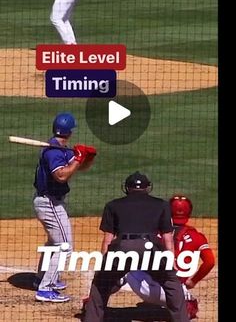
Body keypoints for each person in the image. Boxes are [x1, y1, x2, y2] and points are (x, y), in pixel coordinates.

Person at [83, 172, 190, 322]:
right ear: (147, 188)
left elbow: (108, 239)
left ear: (126, 188)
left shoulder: (113, 205)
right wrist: (170, 261)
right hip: (150, 249)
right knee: (171, 282)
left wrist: (105, 264)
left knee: (102, 282)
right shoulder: (162, 205)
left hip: (122, 248)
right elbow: (167, 237)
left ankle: (92, 319)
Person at [33, 112, 96, 302]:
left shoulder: (60, 149)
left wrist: (86, 157)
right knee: (65, 247)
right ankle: (46, 288)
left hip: (51, 201)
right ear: (69, 131)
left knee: (54, 243)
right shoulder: (53, 152)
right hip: (49, 203)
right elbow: (61, 175)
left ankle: (41, 278)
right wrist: (77, 158)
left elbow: (79, 167)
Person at [126, 195, 215, 319]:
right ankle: (184, 307)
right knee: (190, 300)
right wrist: (192, 281)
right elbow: (210, 262)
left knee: (124, 264)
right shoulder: (197, 236)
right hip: (176, 293)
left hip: (146, 289)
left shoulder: (152, 232)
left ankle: (96, 299)